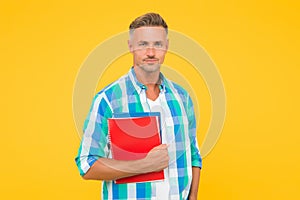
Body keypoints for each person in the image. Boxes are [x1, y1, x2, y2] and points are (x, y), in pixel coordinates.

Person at [75, 13, 202, 200]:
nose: (151, 53)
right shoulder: (108, 99)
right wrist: (145, 165)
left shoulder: (182, 97)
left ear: (166, 47)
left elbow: (193, 154)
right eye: (143, 44)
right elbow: (87, 165)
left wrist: (193, 196)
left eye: (157, 44)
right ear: (131, 46)